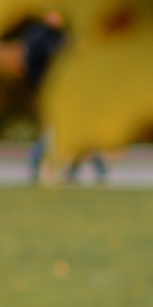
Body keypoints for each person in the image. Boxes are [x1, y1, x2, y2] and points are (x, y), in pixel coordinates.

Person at [20, 12, 107, 184]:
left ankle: (86, 167)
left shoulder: (66, 34)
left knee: (74, 128)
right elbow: (34, 65)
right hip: (51, 90)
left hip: (71, 90)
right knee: (56, 130)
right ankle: (40, 164)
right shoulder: (41, 37)